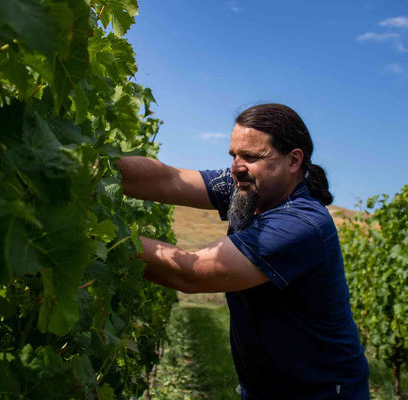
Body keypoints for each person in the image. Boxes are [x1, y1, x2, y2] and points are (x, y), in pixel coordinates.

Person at [117, 104, 369, 399]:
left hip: (320, 391)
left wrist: (98, 234)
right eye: (233, 155)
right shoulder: (248, 186)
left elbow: (191, 273)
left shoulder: (301, 224)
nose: (236, 166)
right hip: (267, 386)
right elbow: (170, 180)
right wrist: (89, 166)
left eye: (251, 157)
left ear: (293, 160)